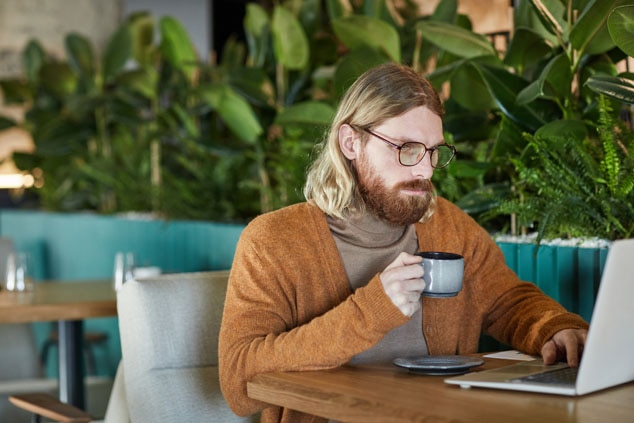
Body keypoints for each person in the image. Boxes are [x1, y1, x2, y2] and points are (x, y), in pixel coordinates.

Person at [218, 62, 588, 422]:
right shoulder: (274, 241)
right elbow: (237, 382)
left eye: (433, 151)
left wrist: (556, 328)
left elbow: (506, 301)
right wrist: (371, 310)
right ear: (351, 142)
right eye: (406, 148)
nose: (425, 169)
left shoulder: (448, 225)